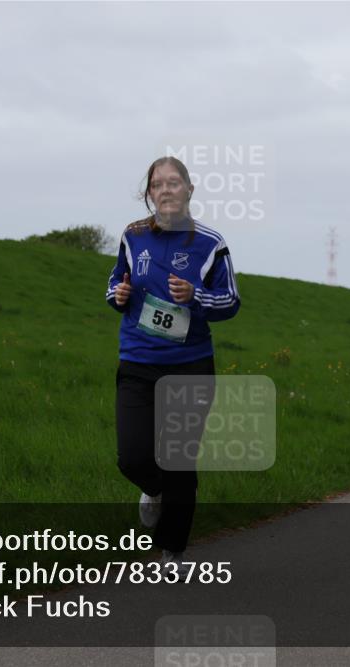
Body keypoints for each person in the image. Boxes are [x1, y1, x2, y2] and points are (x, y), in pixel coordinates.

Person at [106, 156, 240, 570]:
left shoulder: (211, 243)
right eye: (157, 184)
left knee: (180, 460)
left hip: (190, 364)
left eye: (174, 182)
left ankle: (173, 550)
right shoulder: (132, 236)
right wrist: (118, 297)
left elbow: (231, 301)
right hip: (138, 361)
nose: (166, 190)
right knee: (133, 457)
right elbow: (115, 282)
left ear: (189, 190)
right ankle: (153, 490)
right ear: (149, 194)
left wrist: (195, 298)